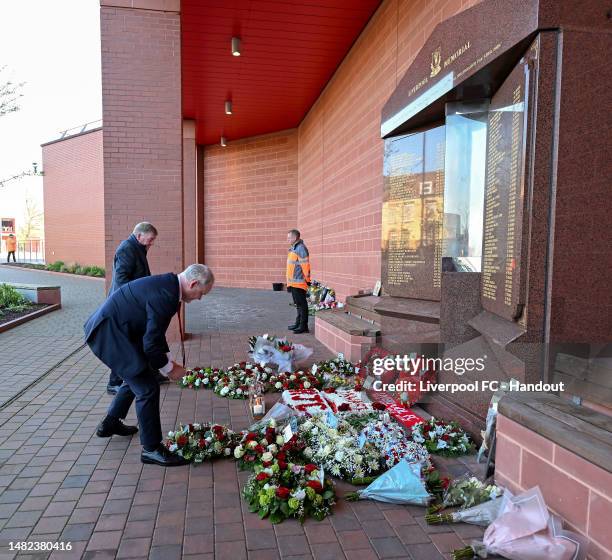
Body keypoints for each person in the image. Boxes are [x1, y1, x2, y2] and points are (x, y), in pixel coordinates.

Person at [84, 264, 215, 467]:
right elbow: (151, 343)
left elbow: (155, 333)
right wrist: (170, 369)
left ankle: (110, 423)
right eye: (201, 293)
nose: (199, 298)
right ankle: (152, 449)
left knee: (138, 373)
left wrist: (169, 361)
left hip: (119, 332)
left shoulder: (169, 286)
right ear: (193, 283)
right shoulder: (166, 295)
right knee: (147, 388)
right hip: (109, 335)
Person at [106, 222, 160, 394]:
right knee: (126, 343)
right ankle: (113, 382)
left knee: (145, 338)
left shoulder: (137, 247)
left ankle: (152, 371)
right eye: (150, 240)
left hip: (134, 302)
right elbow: (122, 280)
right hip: (125, 305)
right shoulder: (127, 249)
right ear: (139, 236)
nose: (151, 243)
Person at [286, 229, 311, 334]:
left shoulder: (300, 248)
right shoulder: (294, 248)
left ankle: (303, 326)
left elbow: (305, 266)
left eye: (289, 237)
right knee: (298, 305)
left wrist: (308, 281)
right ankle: (298, 323)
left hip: (299, 283)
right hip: (293, 283)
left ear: (295, 237)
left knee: (302, 305)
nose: (288, 239)